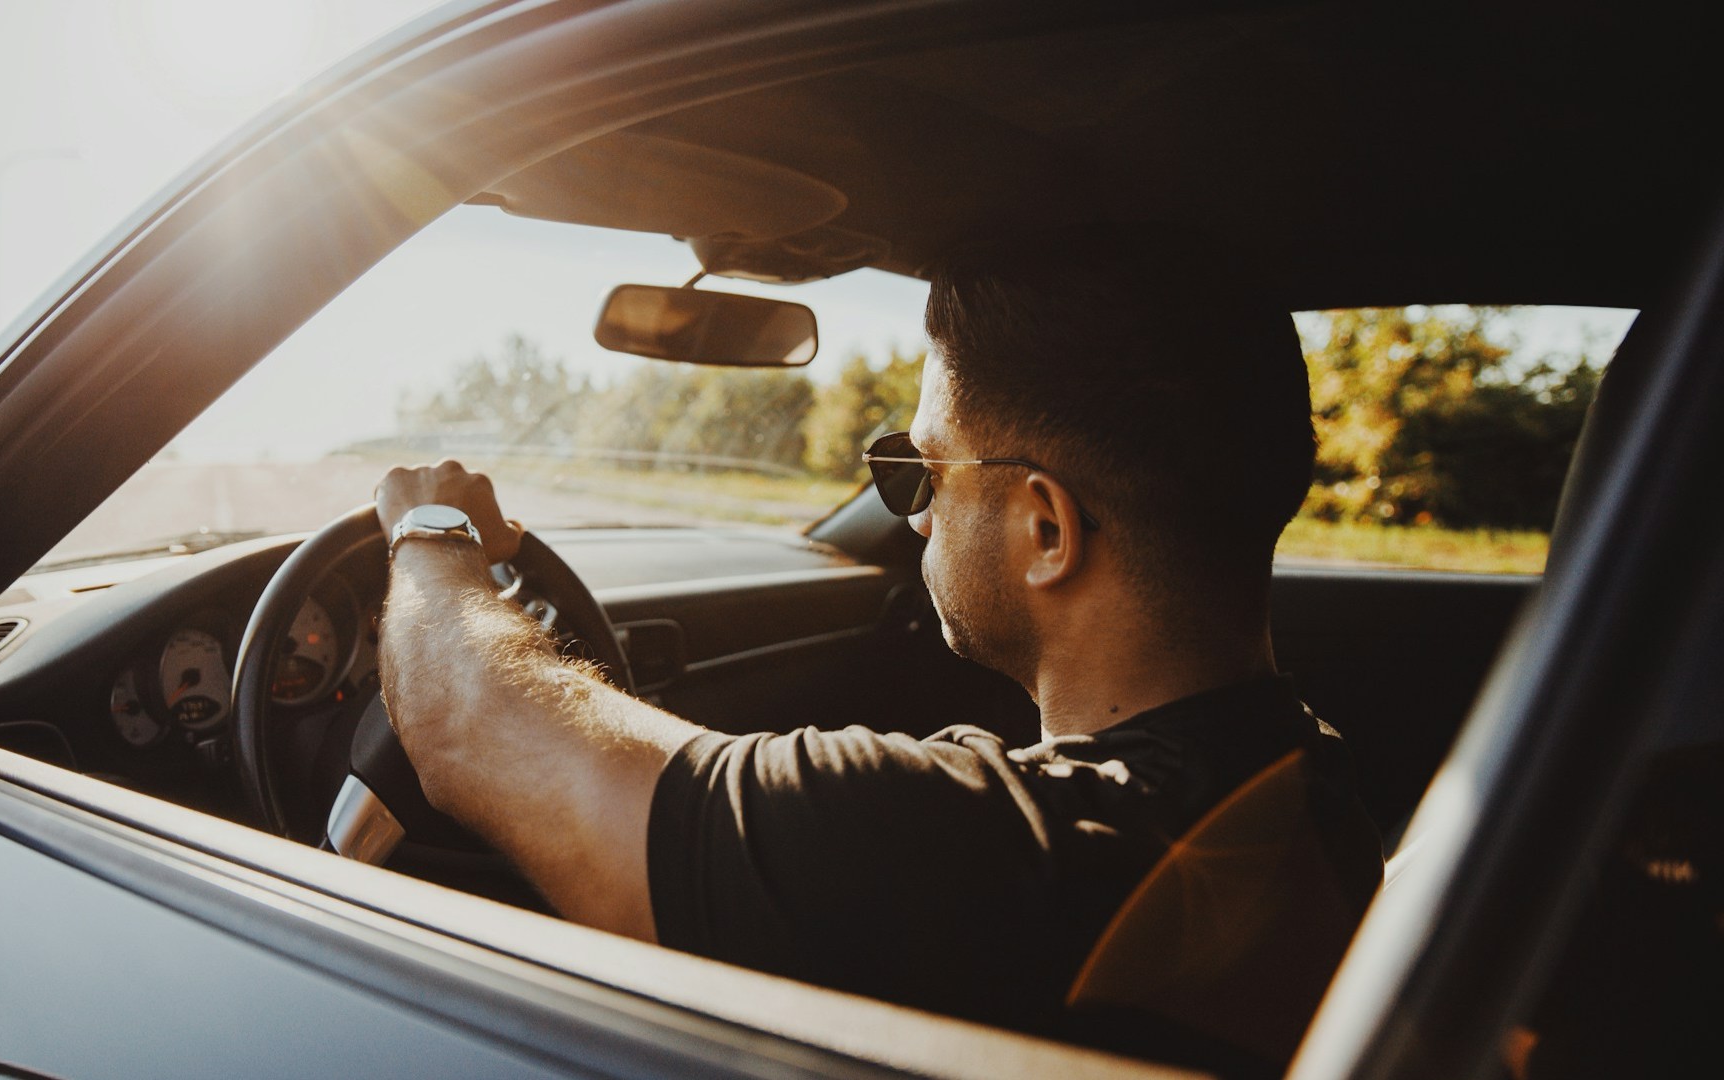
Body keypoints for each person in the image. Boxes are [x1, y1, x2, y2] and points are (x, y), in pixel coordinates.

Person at [371, 228, 1381, 1059]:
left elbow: (466, 727)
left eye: (923, 469)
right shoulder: (1311, 778)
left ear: (1045, 531)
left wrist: (431, 536)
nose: (914, 514)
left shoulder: (960, 850)